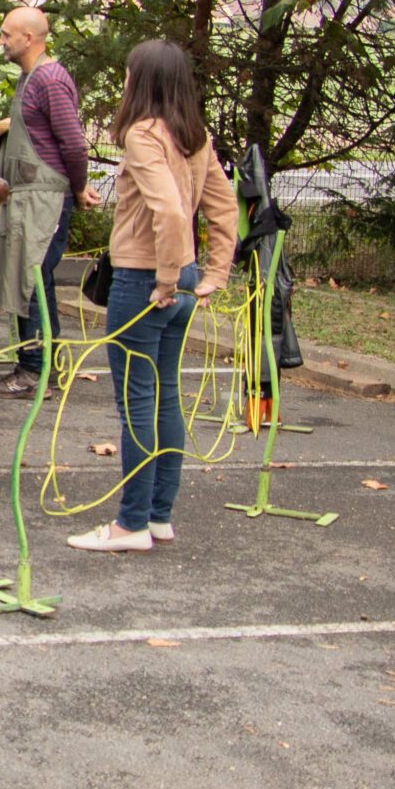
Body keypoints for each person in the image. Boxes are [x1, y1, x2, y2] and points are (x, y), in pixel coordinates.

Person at [67, 39, 238, 554]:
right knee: (165, 397)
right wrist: (209, 274)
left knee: (136, 403)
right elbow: (224, 207)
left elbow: (166, 211)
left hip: (147, 284)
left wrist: (167, 280)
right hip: (180, 281)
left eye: (126, 74)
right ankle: (158, 516)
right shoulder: (194, 134)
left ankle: (131, 524)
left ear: (140, 81)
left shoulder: (144, 134)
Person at [0, 7, 98, 399]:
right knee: (29, 283)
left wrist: (78, 189)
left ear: (28, 38)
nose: (1, 41)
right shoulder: (32, 79)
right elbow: (43, 125)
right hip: (27, 197)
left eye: (6, 34)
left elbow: (74, 143)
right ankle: (33, 368)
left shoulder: (50, 79)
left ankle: (36, 373)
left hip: (45, 198)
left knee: (35, 286)